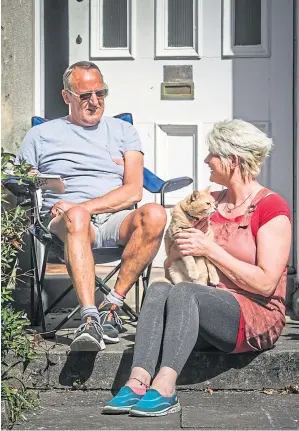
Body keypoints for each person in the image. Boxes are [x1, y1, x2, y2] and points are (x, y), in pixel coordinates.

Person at [103, 119, 291, 417]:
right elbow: (170, 263)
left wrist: (210, 250)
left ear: (233, 160)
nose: (206, 161)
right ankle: (137, 381)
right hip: (204, 308)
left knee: (185, 292)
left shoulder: (271, 208)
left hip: (254, 314)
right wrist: (177, 248)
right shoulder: (207, 204)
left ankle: (165, 387)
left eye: (212, 154)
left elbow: (267, 284)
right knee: (161, 287)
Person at [15, 61, 167, 351]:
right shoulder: (40, 135)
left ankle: (111, 306)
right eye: (85, 95)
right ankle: (89, 319)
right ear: (66, 96)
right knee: (76, 217)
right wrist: (34, 181)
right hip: (65, 224)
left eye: (101, 93)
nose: (95, 102)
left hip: (113, 219)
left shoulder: (124, 131)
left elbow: (134, 189)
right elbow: (19, 179)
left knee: (156, 213)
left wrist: (83, 205)